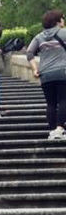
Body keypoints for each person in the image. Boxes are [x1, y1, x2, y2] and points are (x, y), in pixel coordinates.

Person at [27, 9, 66, 140]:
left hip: (46, 74)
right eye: (63, 18)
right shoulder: (64, 33)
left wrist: (34, 68)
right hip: (62, 72)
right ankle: (60, 129)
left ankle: (52, 130)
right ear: (58, 21)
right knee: (63, 100)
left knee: (51, 103)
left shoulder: (39, 37)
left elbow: (29, 53)